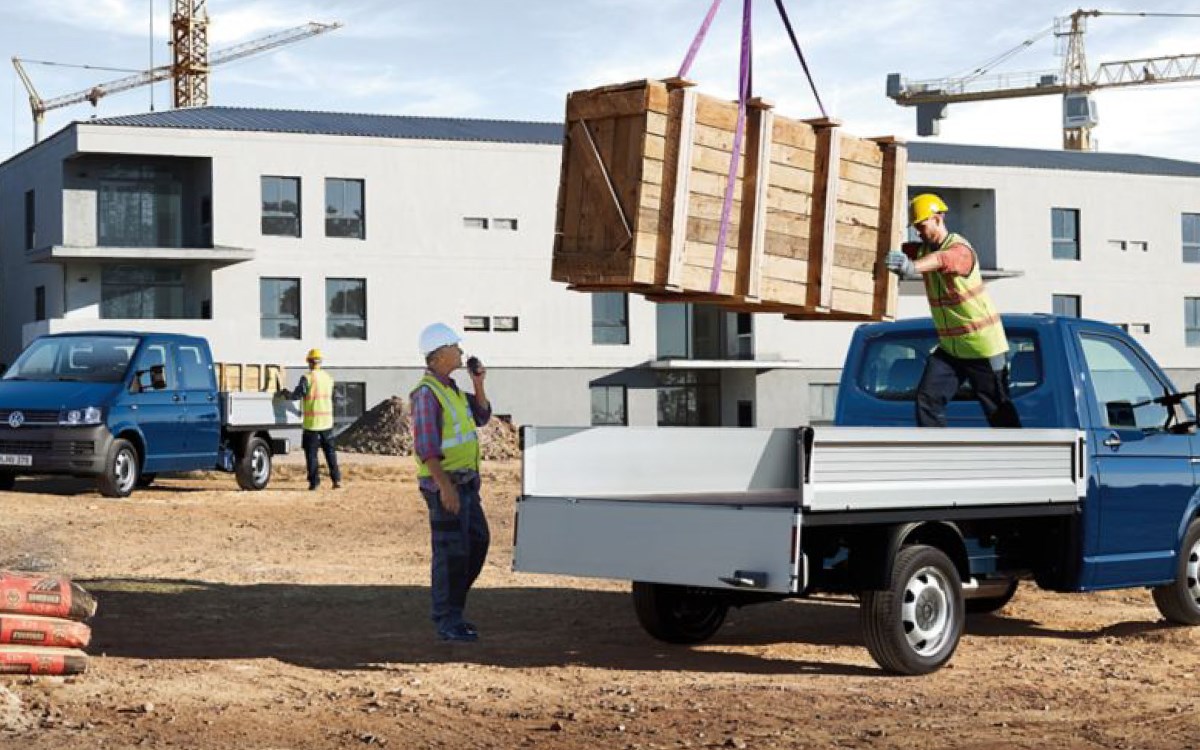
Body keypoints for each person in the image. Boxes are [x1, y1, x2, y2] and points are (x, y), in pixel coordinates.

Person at [885, 193, 1022, 428]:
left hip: (982, 347)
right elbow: (899, 249)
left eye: (921, 225)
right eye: (915, 227)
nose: (918, 231)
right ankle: (937, 449)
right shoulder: (923, 250)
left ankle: (1017, 451)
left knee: (999, 412)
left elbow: (943, 260)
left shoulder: (961, 250)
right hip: (951, 349)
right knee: (927, 400)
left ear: (938, 219)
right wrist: (891, 253)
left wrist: (911, 267)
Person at [411, 322, 492, 642]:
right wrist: (445, 487)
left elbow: (482, 416)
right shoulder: (427, 394)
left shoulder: (452, 390)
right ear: (440, 354)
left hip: (467, 485)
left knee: (477, 543)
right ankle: (447, 619)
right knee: (450, 555)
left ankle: (453, 609)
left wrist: (478, 383)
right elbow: (426, 448)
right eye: (455, 347)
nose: (460, 351)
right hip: (447, 487)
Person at [278, 348, 343, 490]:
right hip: (327, 423)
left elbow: (296, 396)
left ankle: (314, 483)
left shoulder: (307, 378)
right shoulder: (328, 378)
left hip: (312, 424)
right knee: (330, 453)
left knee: (312, 455)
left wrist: (284, 393)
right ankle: (337, 480)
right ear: (320, 362)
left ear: (309, 362)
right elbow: (337, 399)